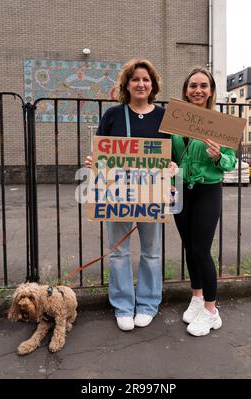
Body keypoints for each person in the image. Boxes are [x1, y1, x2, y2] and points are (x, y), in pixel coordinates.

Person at [85, 59, 173, 331]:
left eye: (146, 79)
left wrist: (172, 167)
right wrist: (95, 162)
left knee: (151, 252)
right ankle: (123, 305)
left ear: (153, 84)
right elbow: (102, 152)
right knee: (119, 253)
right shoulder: (112, 115)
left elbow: (174, 154)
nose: (141, 84)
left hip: (151, 194)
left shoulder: (162, 117)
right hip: (118, 194)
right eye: (135, 79)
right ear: (127, 84)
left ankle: (147, 304)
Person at [172, 66, 237, 336]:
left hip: (208, 190)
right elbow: (169, 154)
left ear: (211, 91)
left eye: (203, 85)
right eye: (192, 85)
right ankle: (197, 297)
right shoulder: (175, 121)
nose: (197, 90)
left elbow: (231, 162)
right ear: (186, 90)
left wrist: (216, 156)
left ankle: (211, 311)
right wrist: (170, 166)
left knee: (201, 250)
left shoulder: (221, 124)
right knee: (189, 246)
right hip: (180, 189)